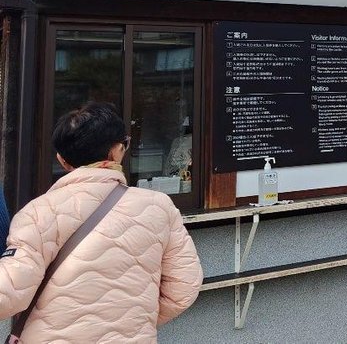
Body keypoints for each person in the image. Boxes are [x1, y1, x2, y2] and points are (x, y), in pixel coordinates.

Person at [0, 101, 203, 341]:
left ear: (61, 159)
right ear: (119, 150)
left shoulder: (37, 213)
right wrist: (130, 325)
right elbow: (184, 286)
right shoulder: (159, 207)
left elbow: (7, 293)